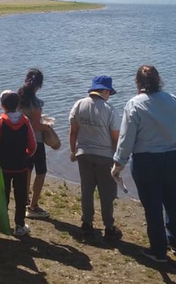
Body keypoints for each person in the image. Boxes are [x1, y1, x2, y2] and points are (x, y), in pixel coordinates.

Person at [112, 65, 176, 263]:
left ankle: (159, 251)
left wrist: (118, 165)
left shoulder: (134, 104)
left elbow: (126, 141)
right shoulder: (174, 100)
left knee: (152, 206)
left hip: (147, 163)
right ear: (159, 80)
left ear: (137, 83)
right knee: (173, 199)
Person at [69, 75, 123, 241]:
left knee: (87, 190)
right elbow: (115, 137)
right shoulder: (110, 110)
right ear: (105, 91)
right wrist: (118, 159)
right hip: (105, 157)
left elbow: (73, 131)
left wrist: (73, 151)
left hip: (83, 154)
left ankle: (87, 224)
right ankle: (108, 227)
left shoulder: (78, 104)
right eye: (109, 93)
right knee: (106, 194)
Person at [0, 90, 37, 237]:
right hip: (21, 166)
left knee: (3, 195)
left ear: (2, 106)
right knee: (20, 196)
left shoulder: (0, 121)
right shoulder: (25, 121)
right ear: (18, 105)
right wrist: (26, 155)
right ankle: (19, 225)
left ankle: (3, 223)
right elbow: (33, 145)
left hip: (3, 166)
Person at [18, 68, 50, 219]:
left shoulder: (18, 97)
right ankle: (33, 206)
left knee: (27, 169)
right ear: (39, 85)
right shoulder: (35, 103)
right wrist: (47, 126)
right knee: (41, 171)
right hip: (35, 142)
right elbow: (35, 126)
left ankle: (25, 199)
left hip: (20, 141)